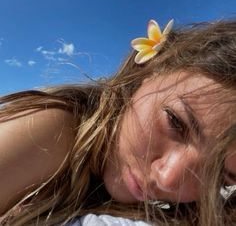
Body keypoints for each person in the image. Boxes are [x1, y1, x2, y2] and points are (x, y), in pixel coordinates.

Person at [0, 18, 236, 226]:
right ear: (152, 70)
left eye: (217, 175)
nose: (168, 179)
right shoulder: (51, 131)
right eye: (176, 122)